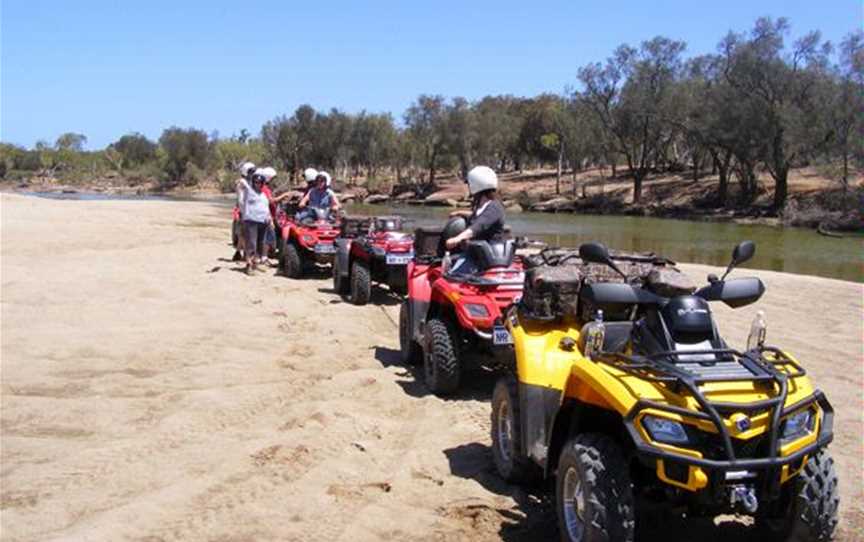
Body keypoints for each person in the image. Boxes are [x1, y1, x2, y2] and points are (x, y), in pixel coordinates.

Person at [445, 166, 505, 249]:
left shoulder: (494, 207)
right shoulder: (484, 205)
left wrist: (457, 238)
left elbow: (478, 226)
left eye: (469, 184)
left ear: (476, 185)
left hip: (490, 253)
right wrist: (459, 213)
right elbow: (478, 215)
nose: (468, 187)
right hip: (478, 251)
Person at [236, 169, 272, 274]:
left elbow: (266, 207)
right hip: (251, 221)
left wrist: (269, 218)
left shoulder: (263, 195)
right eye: (256, 182)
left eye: (260, 182)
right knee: (251, 243)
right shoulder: (248, 191)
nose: (258, 184)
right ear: (253, 182)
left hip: (263, 221)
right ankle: (249, 265)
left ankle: (255, 263)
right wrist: (240, 182)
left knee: (260, 244)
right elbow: (241, 183)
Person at [233, 161, 257, 261]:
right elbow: (241, 200)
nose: (253, 174)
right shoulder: (242, 184)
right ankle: (247, 257)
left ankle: (239, 253)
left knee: (243, 234)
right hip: (245, 213)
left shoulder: (248, 182)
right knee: (246, 234)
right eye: (251, 172)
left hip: (248, 212)